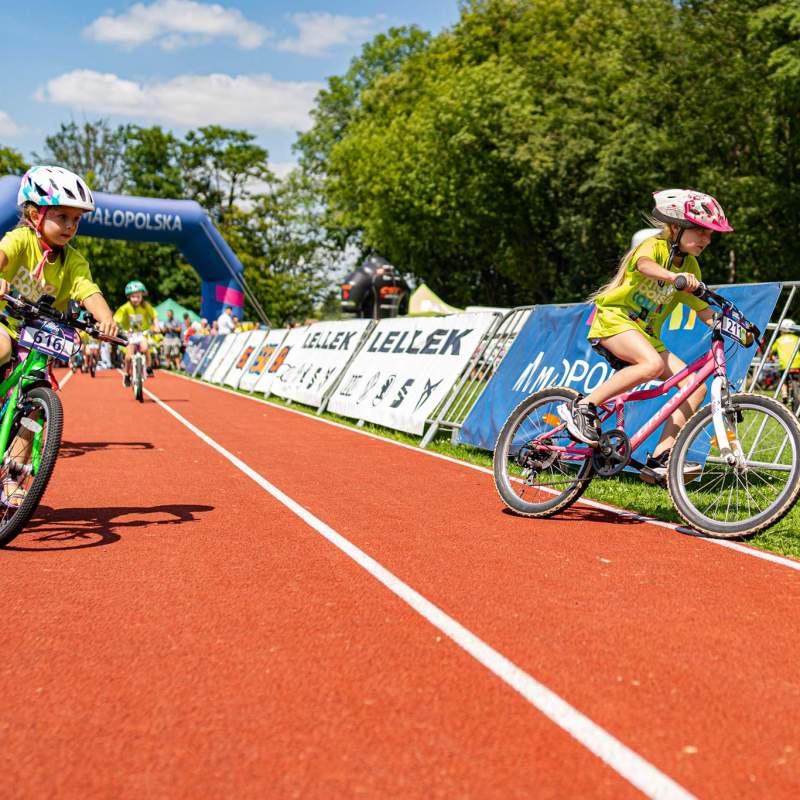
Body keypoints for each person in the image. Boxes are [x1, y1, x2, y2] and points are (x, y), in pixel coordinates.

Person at [558, 188, 734, 484]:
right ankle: (583, 406)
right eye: (702, 232)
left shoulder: (690, 265)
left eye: (710, 235)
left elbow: (701, 308)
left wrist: (729, 325)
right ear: (676, 228)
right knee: (651, 365)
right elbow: (645, 266)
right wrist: (672, 278)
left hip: (645, 335)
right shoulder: (655, 246)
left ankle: (661, 457)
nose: (707, 240)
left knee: (695, 387)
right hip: (614, 320)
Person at [0, 165, 118, 506]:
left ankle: (12, 475)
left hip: (39, 335)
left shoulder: (74, 261)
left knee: (37, 404)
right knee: (2, 346)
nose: (70, 226)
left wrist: (106, 320)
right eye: (62, 216)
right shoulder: (20, 240)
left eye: (76, 220)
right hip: (6, 324)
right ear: (36, 214)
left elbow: (89, 291)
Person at [114, 280, 159, 387]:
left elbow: (154, 317)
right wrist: (115, 328)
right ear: (129, 296)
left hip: (142, 333)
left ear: (142, 296)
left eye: (138, 296)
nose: (135, 299)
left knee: (145, 348)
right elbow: (115, 320)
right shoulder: (124, 308)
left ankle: (148, 368)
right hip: (129, 334)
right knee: (129, 357)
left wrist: (156, 326)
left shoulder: (146, 306)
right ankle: (126, 374)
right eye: (133, 296)